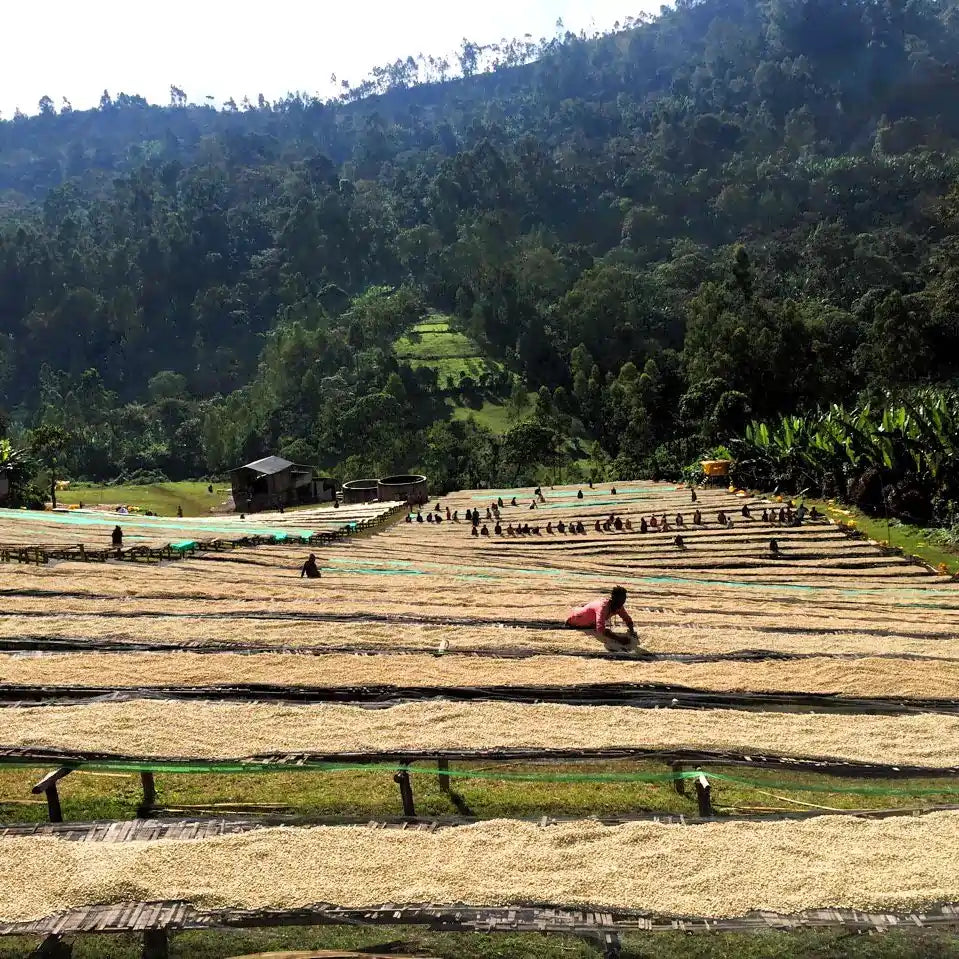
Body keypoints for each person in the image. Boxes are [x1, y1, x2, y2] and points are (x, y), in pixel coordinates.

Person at [565, 586, 637, 645]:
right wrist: (619, 639)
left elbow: (627, 619)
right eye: (619, 602)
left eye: (623, 601)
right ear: (613, 598)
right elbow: (600, 629)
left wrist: (632, 631)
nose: (621, 604)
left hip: (590, 623)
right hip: (574, 620)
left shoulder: (619, 606)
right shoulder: (603, 607)